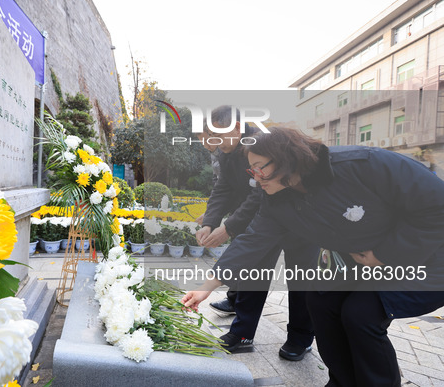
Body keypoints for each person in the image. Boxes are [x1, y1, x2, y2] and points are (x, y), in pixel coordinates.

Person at [182, 127, 444, 386]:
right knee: (320, 302)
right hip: (367, 264)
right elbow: (253, 240)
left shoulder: (364, 163)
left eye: (259, 168)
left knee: (361, 315)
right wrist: (206, 288)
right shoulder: (277, 200)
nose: (255, 177)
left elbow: (437, 206)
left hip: (427, 260)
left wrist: (386, 254)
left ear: (287, 159)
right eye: (251, 170)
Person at [194, 107, 317, 361]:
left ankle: (301, 337)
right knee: (252, 274)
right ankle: (242, 335)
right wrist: (211, 221)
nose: (213, 143)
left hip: (300, 222)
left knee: (301, 279)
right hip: (264, 220)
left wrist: (229, 227)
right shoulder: (227, 152)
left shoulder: (266, 144)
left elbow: (259, 193)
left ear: (237, 128)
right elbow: (223, 188)